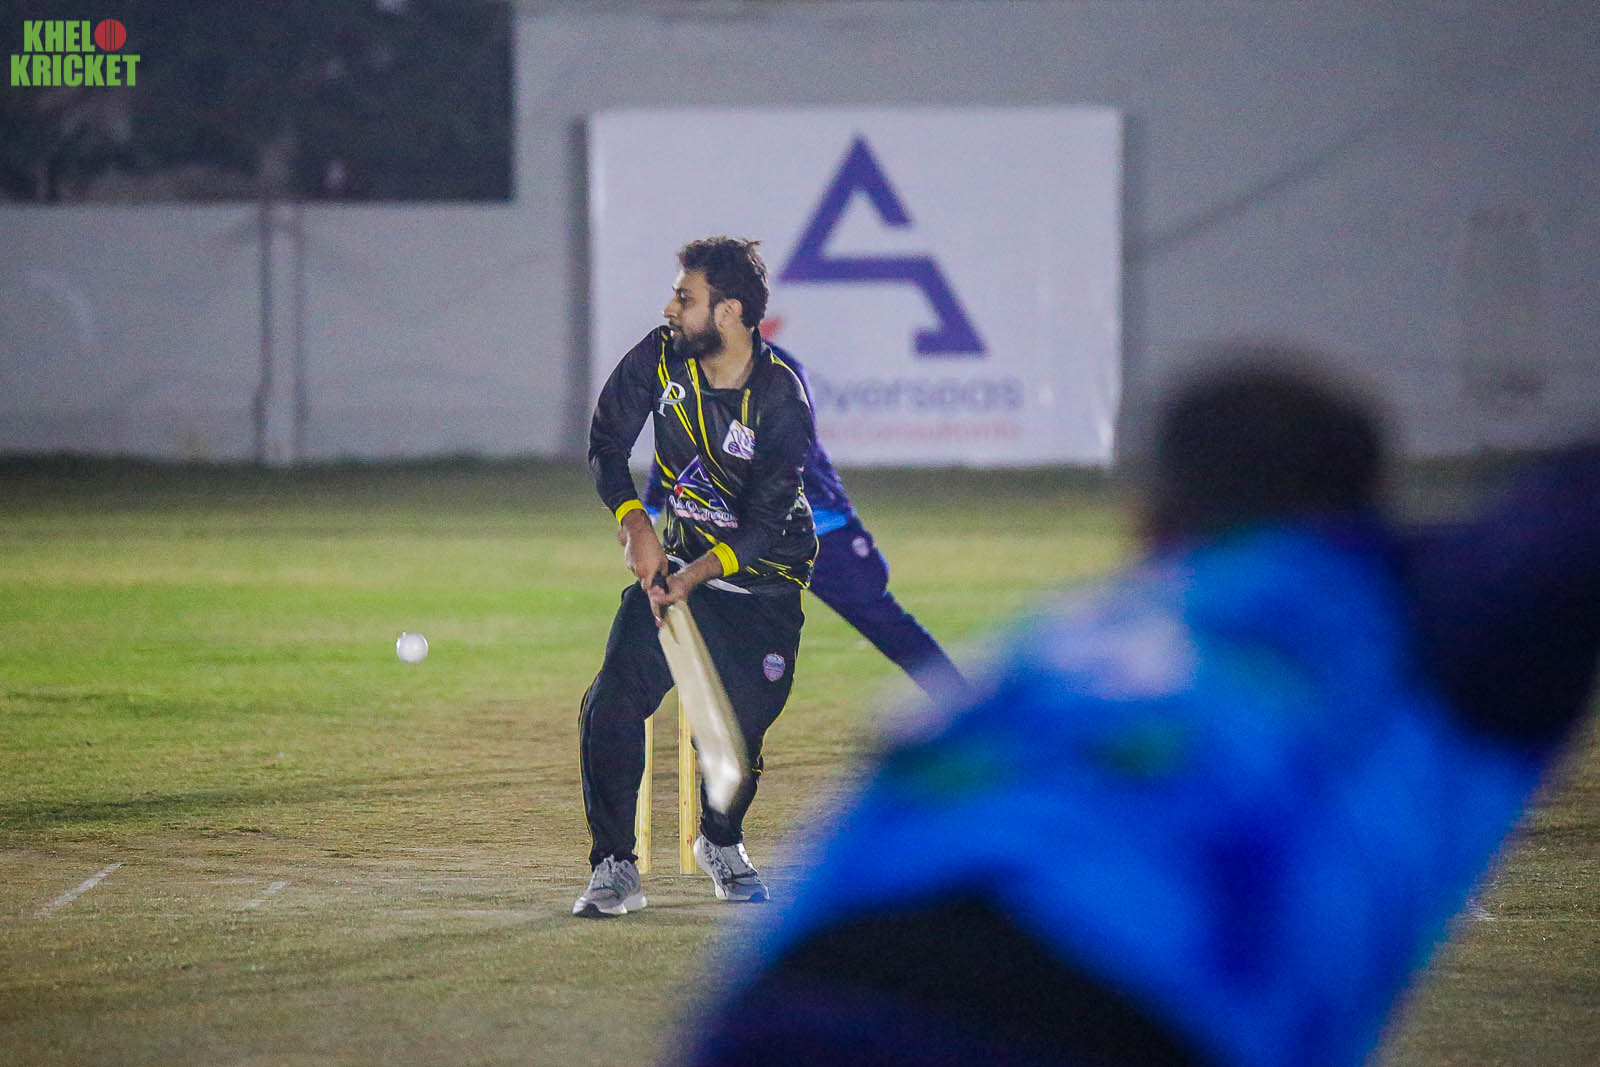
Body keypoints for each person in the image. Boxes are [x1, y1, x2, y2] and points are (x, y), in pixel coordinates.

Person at [683, 347, 1600, 1065]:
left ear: (1146, 525)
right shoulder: (1402, 618)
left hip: (781, 1008)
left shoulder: (1050, 643)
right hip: (1117, 1016)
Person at [574, 236, 818, 918]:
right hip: (676, 570)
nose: (670, 308)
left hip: (764, 586)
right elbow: (607, 440)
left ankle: (720, 841)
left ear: (729, 312)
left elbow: (765, 524)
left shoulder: (780, 397)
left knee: (733, 741)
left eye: (686, 297)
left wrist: (696, 575)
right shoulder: (662, 355)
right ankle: (614, 865)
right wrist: (634, 521)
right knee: (614, 699)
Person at [642, 348, 966, 700]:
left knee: (882, 620)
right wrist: (652, 507)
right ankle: (693, 723)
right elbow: (676, 445)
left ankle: (960, 702)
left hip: (818, 529)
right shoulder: (689, 373)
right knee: (706, 626)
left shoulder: (779, 370)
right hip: (739, 538)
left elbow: (793, 449)